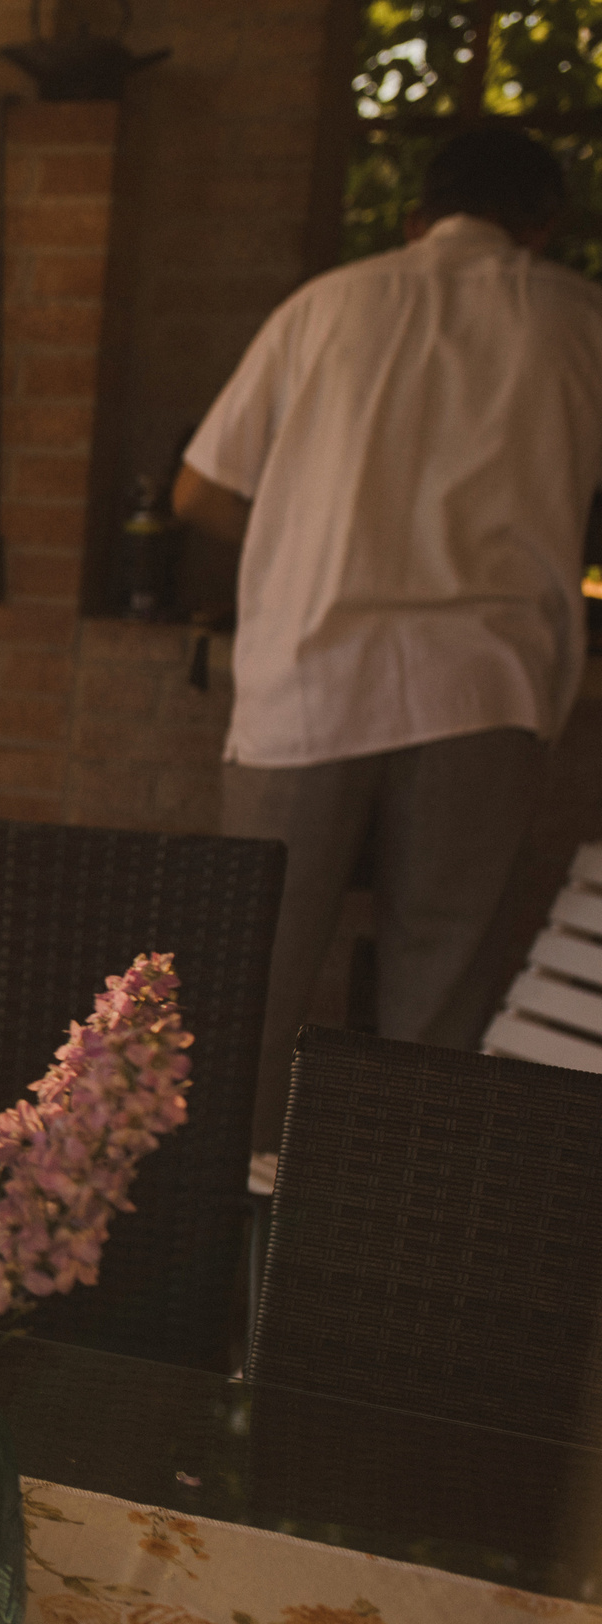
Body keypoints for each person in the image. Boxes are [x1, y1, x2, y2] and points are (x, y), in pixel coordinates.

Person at [174, 125, 602, 1149]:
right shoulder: (581, 320)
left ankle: (215, 1233)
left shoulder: (325, 305)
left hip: (310, 678)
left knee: (252, 989)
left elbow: (198, 494)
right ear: (541, 227)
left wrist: (295, 537)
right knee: (436, 1003)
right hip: (484, 687)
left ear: (417, 219)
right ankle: (396, 1236)